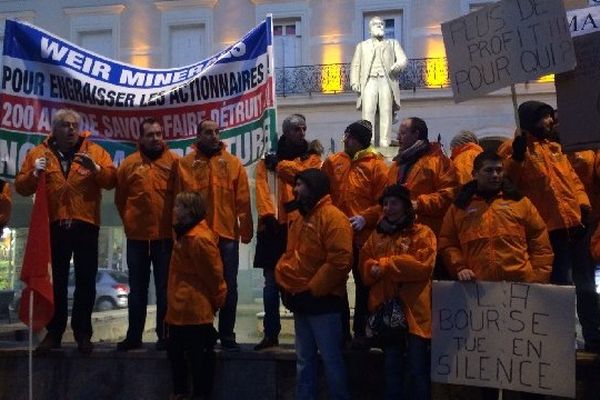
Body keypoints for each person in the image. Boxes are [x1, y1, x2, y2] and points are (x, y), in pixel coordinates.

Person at [439, 150, 553, 400]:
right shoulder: (460, 207)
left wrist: (537, 280)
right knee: (488, 365)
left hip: (520, 293)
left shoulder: (519, 202)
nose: (495, 175)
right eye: (489, 170)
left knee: (525, 364)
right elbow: (447, 242)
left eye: (499, 170)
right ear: (475, 173)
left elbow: (540, 241)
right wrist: (459, 267)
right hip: (481, 296)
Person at [15, 108, 116, 354]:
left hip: (86, 225)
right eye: (65, 125)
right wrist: (33, 174)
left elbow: (112, 180)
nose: (71, 129)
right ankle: (54, 332)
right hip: (54, 227)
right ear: (54, 129)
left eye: (74, 125)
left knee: (85, 282)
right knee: (56, 282)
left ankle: (83, 333)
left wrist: (97, 170)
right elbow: (21, 187)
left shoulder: (95, 151)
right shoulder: (39, 153)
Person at [503, 100, 600, 353]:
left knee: (587, 287)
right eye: (544, 117)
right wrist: (516, 158)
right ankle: (561, 342)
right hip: (548, 233)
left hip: (575, 228)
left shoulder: (557, 148)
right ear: (529, 121)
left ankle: (593, 337)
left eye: (549, 116)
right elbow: (508, 183)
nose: (550, 121)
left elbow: (573, 182)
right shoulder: (515, 151)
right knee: (560, 289)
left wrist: (583, 205)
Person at [172, 119, 253, 351]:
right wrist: (177, 233)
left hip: (226, 236)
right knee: (198, 285)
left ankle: (227, 334)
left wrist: (246, 231)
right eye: (208, 132)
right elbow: (178, 201)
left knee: (229, 286)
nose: (214, 136)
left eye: (217, 132)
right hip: (196, 237)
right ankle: (203, 332)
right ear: (198, 135)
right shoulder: (185, 165)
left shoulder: (233, 163)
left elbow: (243, 201)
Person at [276, 168, 352, 400]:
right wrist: (288, 288)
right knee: (304, 361)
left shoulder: (333, 218)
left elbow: (340, 261)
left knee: (331, 360)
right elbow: (291, 256)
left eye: (301, 185)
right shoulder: (300, 218)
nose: (295, 189)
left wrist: (311, 290)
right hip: (304, 300)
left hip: (324, 303)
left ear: (315, 188)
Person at [360, 184, 436, 400]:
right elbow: (365, 267)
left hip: (415, 315)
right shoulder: (376, 235)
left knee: (417, 371)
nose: (388, 207)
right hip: (387, 317)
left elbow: (422, 266)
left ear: (405, 205)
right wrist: (375, 268)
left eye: (394, 202)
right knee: (391, 371)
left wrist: (384, 266)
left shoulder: (423, 233)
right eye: (385, 203)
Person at [253, 114, 322, 351]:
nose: (301, 132)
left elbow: (306, 176)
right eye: (296, 129)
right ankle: (271, 334)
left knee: (298, 281)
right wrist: (266, 215)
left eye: (304, 128)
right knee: (270, 284)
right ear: (285, 131)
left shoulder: (311, 156)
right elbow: (261, 187)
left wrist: (280, 165)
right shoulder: (267, 159)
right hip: (272, 226)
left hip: (298, 226)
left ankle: (305, 335)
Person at [321, 120, 389, 347]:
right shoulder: (333, 162)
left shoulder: (377, 166)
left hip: (364, 237)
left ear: (357, 140)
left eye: (348, 136)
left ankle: (361, 332)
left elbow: (385, 202)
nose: (344, 140)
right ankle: (341, 332)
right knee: (336, 282)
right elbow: (324, 193)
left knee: (363, 284)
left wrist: (365, 218)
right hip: (338, 234)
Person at [115, 117, 180, 351]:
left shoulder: (174, 163)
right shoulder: (129, 164)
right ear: (140, 138)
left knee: (165, 290)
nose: (155, 138)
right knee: (137, 290)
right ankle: (134, 336)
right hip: (137, 240)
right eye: (150, 134)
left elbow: (180, 199)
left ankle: (165, 336)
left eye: (158, 134)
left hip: (164, 238)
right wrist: (132, 224)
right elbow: (121, 200)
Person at [165, 191, 226, 400]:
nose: (174, 210)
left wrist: (217, 299)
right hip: (181, 310)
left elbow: (213, 275)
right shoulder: (185, 234)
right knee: (179, 359)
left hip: (194, 311)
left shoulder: (198, 239)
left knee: (199, 363)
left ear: (189, 211)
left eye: (178, 206)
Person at [350, 16, 407, 147]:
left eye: (382, 24)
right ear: (370, 29)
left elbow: (403, 59)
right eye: (376, 24)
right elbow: (355, 65)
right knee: (368, 112)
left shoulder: (392, 43)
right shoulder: (362, 46)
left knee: (386, 111)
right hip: (369, 81)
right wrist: (354, 82)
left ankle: (384, 143)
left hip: (386, 81)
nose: (380, 25)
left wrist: (397, 65)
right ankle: (367, 143)